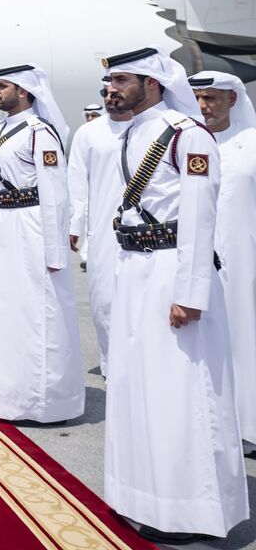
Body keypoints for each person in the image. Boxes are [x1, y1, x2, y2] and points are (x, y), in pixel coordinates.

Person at [100, 48, 248, 542]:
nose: (111, 91)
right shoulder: (135, 133)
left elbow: (200, 217)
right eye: (108, 83)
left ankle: (191, 511)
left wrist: (190, 293)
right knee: (138, 388)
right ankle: (142, 497)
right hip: (136, 269)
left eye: (121, 81)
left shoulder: (187, 135)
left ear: (153, 83)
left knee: (182, 394)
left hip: (172, 273)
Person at [0, 64, 83, 423]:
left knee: (34, 312)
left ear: (25, 91)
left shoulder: (39, 133)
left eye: (3, 86)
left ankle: (39, 400)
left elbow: (55, 195)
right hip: (0, 227)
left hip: (30, 228)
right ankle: (0, 393)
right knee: (0, 310)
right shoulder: (0, 129)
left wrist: (55, 250)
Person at [191, 70, 256, 454]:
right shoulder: (189, 143)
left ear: (232, 100)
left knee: (244, 341)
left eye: (212, 98)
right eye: (199, 99)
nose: (204, 107)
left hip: (244, 264)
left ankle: (247, 426)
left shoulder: (252, 144)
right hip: (198, 264)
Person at [66, 82, 130, 377]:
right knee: (103, 301)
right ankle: (111, 365)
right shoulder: (88, 133)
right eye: (105, 93)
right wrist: (74, 225)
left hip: (153, 234)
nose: (110, 97)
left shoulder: (158, 129)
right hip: (104, 231)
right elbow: (77, 183)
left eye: (116, 92)